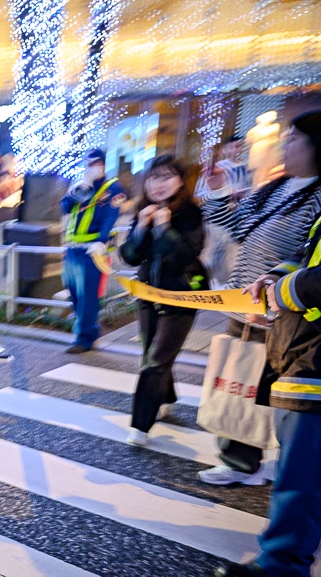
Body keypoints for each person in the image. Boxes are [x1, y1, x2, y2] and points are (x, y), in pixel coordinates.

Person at [214, 80, 321, 577]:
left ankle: (283, 561)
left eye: (292, 138)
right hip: (301, 331)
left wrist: (289, 286)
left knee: (306, 455)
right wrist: (279, 276)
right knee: (320, 450)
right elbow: (313, 251)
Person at [196, 110, 321, 486]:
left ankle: (281, 460)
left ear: (317, 147)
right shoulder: (277, 187)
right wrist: (216, 191)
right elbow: (236, 227)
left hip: (285, 311)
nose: (285, 143)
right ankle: (240, 459)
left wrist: (281, 288)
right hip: (243, 301)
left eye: (294, 138)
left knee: (275, 392)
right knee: (238, 379)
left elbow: (315, 254)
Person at [119, 155, 207, 446]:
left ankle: (140, 426)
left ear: (181, 182)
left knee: (155, 360)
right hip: (147, 294)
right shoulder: (143, 210)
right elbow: (130, 256)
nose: (158, 184)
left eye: (167, 177)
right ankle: (165, 396)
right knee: (152, 353)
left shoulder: (191, 214)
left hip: (181, 297)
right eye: (153, 178)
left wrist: (163, 229)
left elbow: (185, 256)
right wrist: (142, 229)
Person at [60, 148, 127, 353]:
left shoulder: (113, 188)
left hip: (92, 251)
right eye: (88, 163)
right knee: (73, 293)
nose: (91, 167)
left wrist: (101, 242)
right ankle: (89, 329)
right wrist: (80, 189)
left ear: (103, 164)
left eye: (95, 163)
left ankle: (84, 338)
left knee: (88, 296)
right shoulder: (80, 185)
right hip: (72, 250)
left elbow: (110, 217)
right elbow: (64, 207)